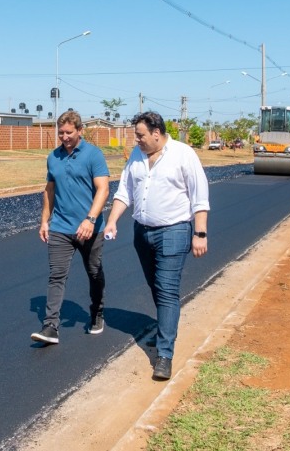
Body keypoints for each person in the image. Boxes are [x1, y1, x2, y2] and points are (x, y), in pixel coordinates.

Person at [103, 111, 209, 380]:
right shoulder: (137, 157)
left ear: (156, 134)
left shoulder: (183, 155)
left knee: (167, 289)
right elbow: (124, 192)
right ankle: (165, 330)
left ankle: (164, 355)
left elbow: (200, 197)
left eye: (140, 135)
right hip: (143, 233)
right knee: (156, 286)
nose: (136, 139)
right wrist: (112, 220)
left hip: (174, 231)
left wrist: (200, 233)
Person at [31, 111, 110, 345]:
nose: (64, 137)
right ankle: (50, 327)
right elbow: (49, 190)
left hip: (90, 229)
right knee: (56, 276)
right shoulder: (53, 157)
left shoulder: (94, 155)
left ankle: (97, 312)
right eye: (61, 133)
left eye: (69, 133)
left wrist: (90, 219)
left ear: (79, 131)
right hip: (61, 227)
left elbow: (103, 190)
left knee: (94, 272)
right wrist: (45, 220)